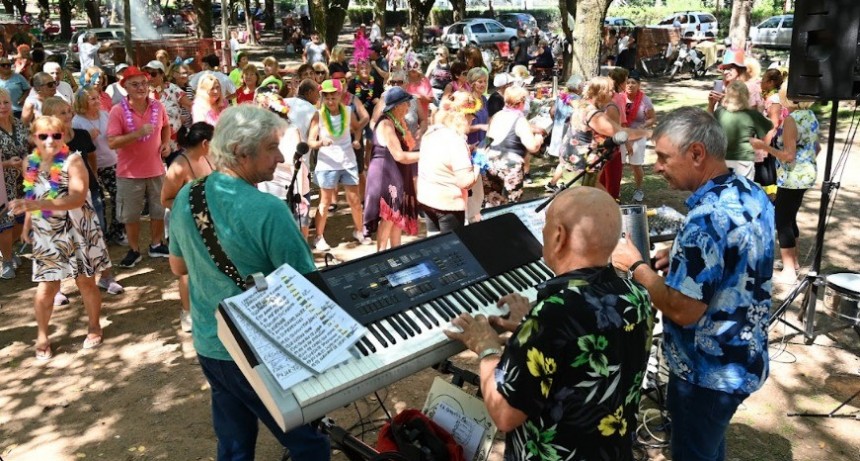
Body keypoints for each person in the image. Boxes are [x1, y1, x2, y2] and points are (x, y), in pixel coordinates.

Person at [167, 105, 331, 460]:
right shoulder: (269, 210)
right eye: (272, 147)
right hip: (259, 353)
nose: (281, 156)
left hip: (211, 343)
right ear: (242, 151)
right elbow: (309, 289)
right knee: (309, 445)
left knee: (234, 445)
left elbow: (178, 266)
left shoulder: (186, 196)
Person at [612, 106, 774, 461]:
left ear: (697, 154)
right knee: (708, 447)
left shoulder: (707, 218)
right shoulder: (750, 191)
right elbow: (736, 254)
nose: (656, 166)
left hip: (708, 373)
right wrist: (684, 257)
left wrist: (637, 266)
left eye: (663, 157)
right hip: (743, 356)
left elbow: (683, 311)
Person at [445, 186, 652, 460]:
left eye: (545, 225)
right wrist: (528, 327)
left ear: (558, 236)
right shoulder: (637, 295)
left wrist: (487, 348)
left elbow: (505, 413)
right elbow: (580, 358)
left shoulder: (553, 314)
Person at [8, 115, 111, 360]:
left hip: (78, 228)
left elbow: (76, 198)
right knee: (47, 288)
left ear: (64, 136)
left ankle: (94, 326)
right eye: (43, 136)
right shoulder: (29, 163)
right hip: (48, 233)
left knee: (85, 282)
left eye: (56, 135)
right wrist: (27, 226)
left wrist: (36, 205)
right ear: (34, 138)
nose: (50, 140)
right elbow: (31, 196)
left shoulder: (73, 161)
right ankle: (42, 335)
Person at [43, 96, 123, 295]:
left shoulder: (82, 134)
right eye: (62, 112)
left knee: (97, 234)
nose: (69, 115)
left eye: (69, 111)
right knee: (60, 240)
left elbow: (92, 157)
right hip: (60, 198)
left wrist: (92, 178)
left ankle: (106, 277)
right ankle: (57, 288)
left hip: (89, 193)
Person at [750, 85, 820, 283]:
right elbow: (817, 147)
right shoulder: (811, 116)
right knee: (790, 217)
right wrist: (806, 161)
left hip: (792, 178)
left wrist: (763, 146)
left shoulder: (792, 120)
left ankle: (789, 271)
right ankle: (793, 262)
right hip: (805, 175)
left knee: (781, 220)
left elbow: (789, 155)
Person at [106, 66, 171, 268]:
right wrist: (137, 133)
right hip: (129, 173)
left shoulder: (158, 107)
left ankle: (156, 244)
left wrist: (166, 142)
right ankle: (134, 250)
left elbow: (166, 126)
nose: (141, 87)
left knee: (158, 210)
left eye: (143, 83)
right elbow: (112, 142)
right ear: (124, 87)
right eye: (135, 84)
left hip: (157, 169)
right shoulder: (117, 110)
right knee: (131, 215)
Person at [161, 122, 214, 333]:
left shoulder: (209, 158)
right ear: (205, 143)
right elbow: (165, 199)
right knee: (187, 270)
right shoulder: (178, 166)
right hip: (187, 223)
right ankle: (187, 311)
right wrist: (193, 209)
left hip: (209, 222)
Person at [307, 79, 369, 251]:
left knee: (355, 200)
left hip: (348, 161)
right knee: (325, 202)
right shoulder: (318, 115)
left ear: (340, 95)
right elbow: (310, 141)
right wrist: (320, 143)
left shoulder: (348, 111)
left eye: (333, 96)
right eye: (326, 97)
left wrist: (357, 141)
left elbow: (357, 128)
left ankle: (359, 231)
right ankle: (319, 237)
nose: (330, 101)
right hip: (327, 164)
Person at [364, 87, 420, 250]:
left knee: (397, 216)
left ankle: (397, 252)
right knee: (389, 217)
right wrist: (428, 154)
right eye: (406, 104)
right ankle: (380, 256)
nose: (408, 107)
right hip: (385, 174)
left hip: (395, 173)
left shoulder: (396, 122)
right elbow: (399, 156)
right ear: (396, 106)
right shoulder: (386, 124)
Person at [417, 91, 481, 234]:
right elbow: (465, 182)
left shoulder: (432, 131)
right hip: (448, 204)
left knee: (432, 246)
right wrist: (477, 166)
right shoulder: (456, 141)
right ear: (464, 117)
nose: (472, 122)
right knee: (452, 249)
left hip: (427, 199)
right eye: (471, 118)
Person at [73, 85, 124, 245]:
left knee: (118, 198)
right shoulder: (77, 121)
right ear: (82, 102)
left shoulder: (105, 114)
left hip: (112, 162)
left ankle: (117, 232)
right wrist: (89, 137)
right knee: (98, 202)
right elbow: (80, 147)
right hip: (92, 167)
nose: (97, 101)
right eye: (92, 98)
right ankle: (101, 235)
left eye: (97, 97)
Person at [482, 85, 544, 206]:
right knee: (512, 201)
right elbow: (532, 147)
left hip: (490, 161)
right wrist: (538, 139)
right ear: (521, 102)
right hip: (510, 165)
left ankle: (490, 221)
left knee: (491, 200)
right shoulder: (520, 120)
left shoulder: (497, 115)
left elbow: (488, 138)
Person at [713, 81, 772, 181]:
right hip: (744, 158)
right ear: (746, 96)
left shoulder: (719, 112)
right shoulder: (752, 115)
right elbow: (768, 126)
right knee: (743, 190)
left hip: (722, 158)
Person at [0, 88, 27, 278]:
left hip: (23, 180)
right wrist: (7, 163)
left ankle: (8, 249)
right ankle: (6, 261)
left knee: (23, 218)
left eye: (6, 102)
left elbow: (29, 146)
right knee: (5, 223)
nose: (2, 107)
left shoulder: (19, 124)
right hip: (2, 184)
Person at [145, 60, 190, 164]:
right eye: (147, 74)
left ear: (162, 74)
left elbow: (190, 105)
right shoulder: (145, 92)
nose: (150, 77)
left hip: (174, 142)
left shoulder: (172, 88)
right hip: (153, 144)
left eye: (153, 74)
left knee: (176, 174)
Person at [545, 75, 583, 192]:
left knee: (563, 158)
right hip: (568, 130)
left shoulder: (562, 97)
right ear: (578, 87)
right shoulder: (576, 99)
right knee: (565, 159)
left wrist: (556, 122)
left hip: (558, 128)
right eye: (582, 86)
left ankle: (553, 183)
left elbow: (552, 111)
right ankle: (553, 183)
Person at [622, 70, 655, 202]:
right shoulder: (620, 98)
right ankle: (613, 188)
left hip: (637, 136)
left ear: (639, 85)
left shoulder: (645, 100)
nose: (630, 85)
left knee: (636, 164)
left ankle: (638, 189)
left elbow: (652, 118)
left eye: (633, 83)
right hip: (622, 135)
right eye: (628, 82)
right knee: (618, 163)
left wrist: (643, 125)